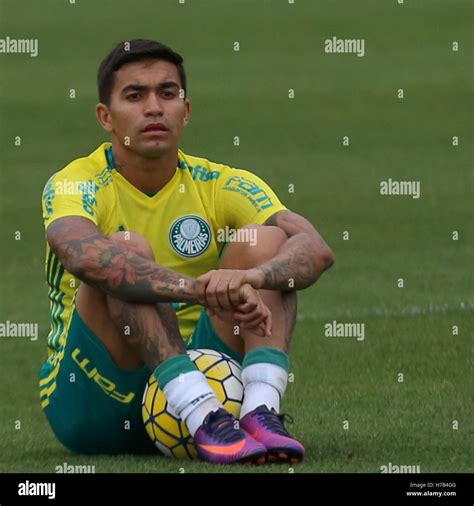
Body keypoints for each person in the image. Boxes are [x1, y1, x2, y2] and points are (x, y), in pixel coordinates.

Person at [39, 39, 335, 465]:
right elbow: (84, 257)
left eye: (167, 93)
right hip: (96, 397)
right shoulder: (76, 182)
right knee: (125, 251)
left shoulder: (220, 183)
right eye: (135, 95)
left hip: (207, 370)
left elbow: (315, 249)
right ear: (106, 116)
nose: (154, 107)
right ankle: (201, 414)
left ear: (186, 110)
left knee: (266, 243)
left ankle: (260, 412)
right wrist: (197, 289)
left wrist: (253, 279)